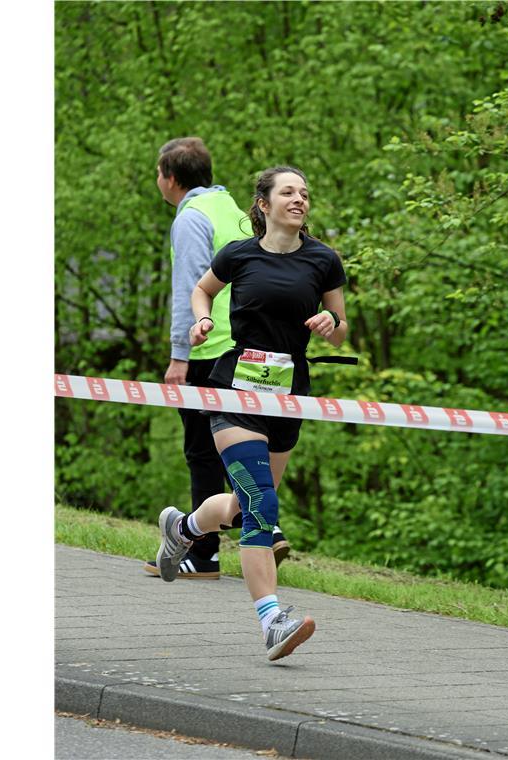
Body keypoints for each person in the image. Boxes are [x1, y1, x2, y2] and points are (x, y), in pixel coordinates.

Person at [155, 166, 349, 662]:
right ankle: (272, 620)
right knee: (263, 503)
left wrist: (332, 324)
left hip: (288, 395)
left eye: (305, 192)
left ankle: (184, 529)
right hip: (234, 390)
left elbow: (342, 328)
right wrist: (201, 318)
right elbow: (203, 290)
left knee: (247, 506)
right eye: (288, 192)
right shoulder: (239, 254)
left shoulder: (323, 260)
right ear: (263, 204)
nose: (299, 199)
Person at [143, 137, 291, 580]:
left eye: (157, 173)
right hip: (255, 348)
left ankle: (202, 552)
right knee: (249, 438)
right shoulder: (234, 209)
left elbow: (191, 287)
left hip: (210, 348)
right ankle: (265, 521)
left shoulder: (191, 217)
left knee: (202, 449)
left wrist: (178, 356)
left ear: (170, 178)